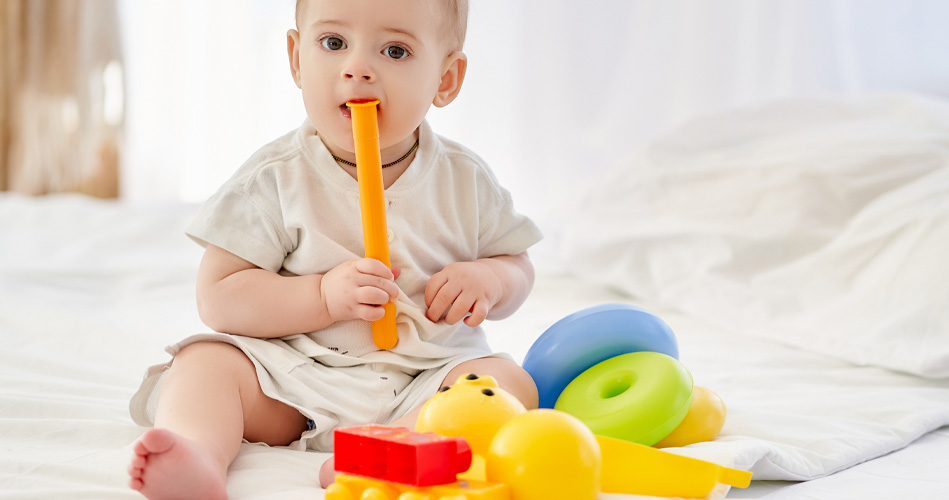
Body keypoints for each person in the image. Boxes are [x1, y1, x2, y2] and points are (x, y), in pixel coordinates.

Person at [125, 0, 543, 498]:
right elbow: (218, 297)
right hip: (296, 379)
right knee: (205, 363)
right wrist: (320, 296)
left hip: (428, 378)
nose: (357, 69)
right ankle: (195, 451)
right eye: (333, 43)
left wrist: (493, 281)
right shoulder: (275, 179)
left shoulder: (464, 179)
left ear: (446, 80)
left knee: (507, 383)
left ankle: (387, 450)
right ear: (297, 59)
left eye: (394, 50)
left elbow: (516, 262)